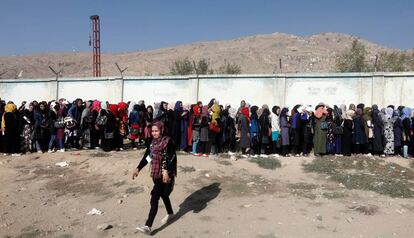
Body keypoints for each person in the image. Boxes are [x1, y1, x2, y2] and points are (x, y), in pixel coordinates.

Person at [132, 121, 177, 235]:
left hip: (165, 173)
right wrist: (138, 168)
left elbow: (171, 156)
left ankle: (148, 226)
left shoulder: (168, 141)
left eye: (156, 131)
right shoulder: (152, 143)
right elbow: (148, 157)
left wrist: (166, 170)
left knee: (155, 196)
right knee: (163, 194)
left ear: (161, 130)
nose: (154, 133)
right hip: (156, 174)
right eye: (152, 131)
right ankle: (171, 214)